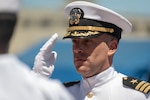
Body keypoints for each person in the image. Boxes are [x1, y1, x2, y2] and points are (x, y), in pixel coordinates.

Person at [32, 1, 150, 100]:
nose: (77, 49)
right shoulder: (63, 94)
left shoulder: (138, 95)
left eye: (87, 41)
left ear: (112, 47)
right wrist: (36, 81)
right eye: (74, 41)